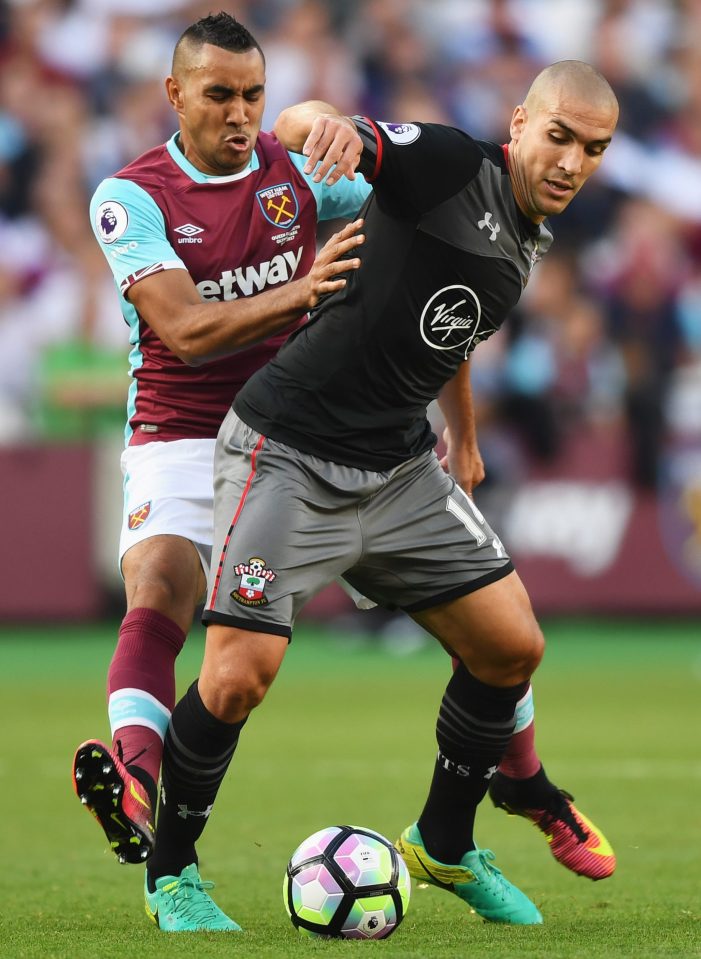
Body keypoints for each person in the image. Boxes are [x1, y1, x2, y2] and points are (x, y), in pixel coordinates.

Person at [142, 60, 620, 933]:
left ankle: (443, 841)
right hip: (288, 449)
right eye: (558, 138)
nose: (570, 162)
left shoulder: (521, 232)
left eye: (592, 149)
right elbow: (312, 126)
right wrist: (319, 124)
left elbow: (452, 328)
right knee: (238, 676)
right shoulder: (448, 166)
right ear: (520, 123)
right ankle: (170, 870)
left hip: (400, 469)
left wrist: (464, 434)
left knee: (511, 646)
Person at [71, 12, 370, 867]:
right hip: (179, 429)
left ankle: (491, 796)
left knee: (470, 615)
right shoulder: (129, 196)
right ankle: (135, 785)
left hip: (292, 435)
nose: (239, 114)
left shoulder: (298, 177)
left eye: (252, 96)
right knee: (161, 584)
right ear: (174, 95)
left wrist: (355, 139)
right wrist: (305, 291)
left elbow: (401, 203)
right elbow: (188, 331)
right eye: (217, 95)